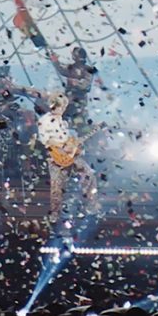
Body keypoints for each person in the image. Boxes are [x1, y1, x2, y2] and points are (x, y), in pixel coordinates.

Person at [34, 93, 97, 225]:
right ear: (54, 106)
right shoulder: (44, 121)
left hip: (70, 157)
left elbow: (69, 140)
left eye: (64, 107)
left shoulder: (63, 122)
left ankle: (90, 205)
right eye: (61, 107)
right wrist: (63, 147)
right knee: (56, 186)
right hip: (55, 156)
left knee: (89, 175)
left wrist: (75, 147)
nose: (63, 109)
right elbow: (46, 140)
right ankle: (55, 213)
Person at [50, 47, 102, 127]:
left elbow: (86, 84)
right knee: (62, 114)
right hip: (68, 97)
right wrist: (55, 61)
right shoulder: (71, 67)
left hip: (79, 98)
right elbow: (61, 70)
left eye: (75, 55)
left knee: (78, 118)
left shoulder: (87, 69)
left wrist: (76, 83)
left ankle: (82, 129)